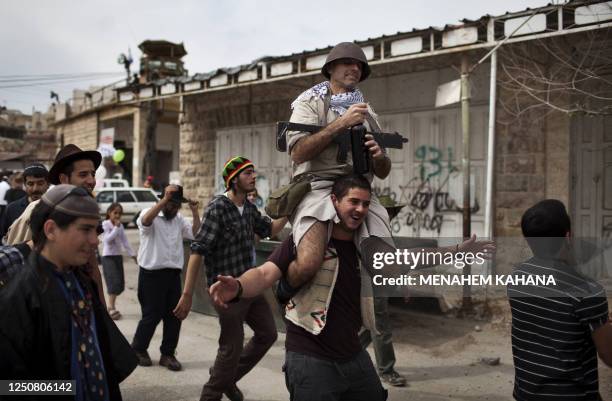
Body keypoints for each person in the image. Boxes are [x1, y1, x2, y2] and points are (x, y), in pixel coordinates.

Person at [210, 174, 495, 401]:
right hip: (310, 358)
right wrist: (236, 286)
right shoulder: (306, 240)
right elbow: (263, 274)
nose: (360, 209)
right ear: (334, 201)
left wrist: (457, 251)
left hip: (353, 356)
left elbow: (406, 260)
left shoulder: (366, 246)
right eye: (353, 201)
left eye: (365, 203)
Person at [0, 184, 137, 400]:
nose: (95, 240)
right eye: (85, 230)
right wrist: (67, 388)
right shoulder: (21, 297)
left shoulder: (82, 282)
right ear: (51, 229)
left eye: (96, 230)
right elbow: (9, 387)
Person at [284, 41, 393, 303]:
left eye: (359, 66)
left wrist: (379, 156)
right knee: (309, 263)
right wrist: (340, 124)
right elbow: (298, 153)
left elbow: (384, 171)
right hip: (319, 188)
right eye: (348, 63)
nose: (354, 68)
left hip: (359, 191)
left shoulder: (368, 112)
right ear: (331, 68)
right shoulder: (310, 103)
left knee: (387, 268)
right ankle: (284, 289)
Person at [174, 156, 287, 401]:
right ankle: (212, 393)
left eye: (253, 172)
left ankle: (226, 378)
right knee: (231, 347)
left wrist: (291, 209)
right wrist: (187, 295)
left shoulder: (248, 207)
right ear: (233, 180)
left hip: (248, 285)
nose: (253, 177)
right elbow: (197, 250)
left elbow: (271, 229)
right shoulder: (218, 208)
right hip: (224, 290)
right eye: (247, 173)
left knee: (268, 334)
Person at [508, 199, 612, 400]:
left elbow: (550, 323)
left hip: (526, 395)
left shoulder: (516, 277)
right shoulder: (588, 291)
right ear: (568, 236)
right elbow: (609, 356)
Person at [3, 144, 107, 306]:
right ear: (64, 179)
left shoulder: (87, 211)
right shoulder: (36, 211)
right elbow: (14, 261)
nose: (91, 181)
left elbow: (92, 267)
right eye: (83, 174)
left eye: (92, 174)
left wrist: (102, 313)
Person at [131, 184, 201, 372]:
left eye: (176, 205)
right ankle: (138, 349)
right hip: (151, 275)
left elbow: (196, 234)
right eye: (171, 204)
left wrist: (195, 213)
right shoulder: (150, 213)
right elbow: (145, 221)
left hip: (172, 275)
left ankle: (167, 354)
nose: (173, 208)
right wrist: (164, 201)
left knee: (174, 316)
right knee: (151, 315)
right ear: (163, 200)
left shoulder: (179, 219)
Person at [101, 202, 136, 320]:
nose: (117, 216)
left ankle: (111, 306)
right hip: (108, 257)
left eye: (119, 214)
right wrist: (115, 227)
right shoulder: (105, 224)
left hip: (117, 257)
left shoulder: (120, 226)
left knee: (120, 285)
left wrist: (133, 255)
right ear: (109, 213)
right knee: (114, 282)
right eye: (115, 213)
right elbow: (107, 240)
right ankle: (111, 307)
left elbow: (125, 241)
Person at [0, 163, 49, 240]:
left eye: (40, 183)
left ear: (48, 184)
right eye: (30, 184)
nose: (35, 189)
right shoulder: (12, 209)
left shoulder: (54, 208)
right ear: (25, 185)